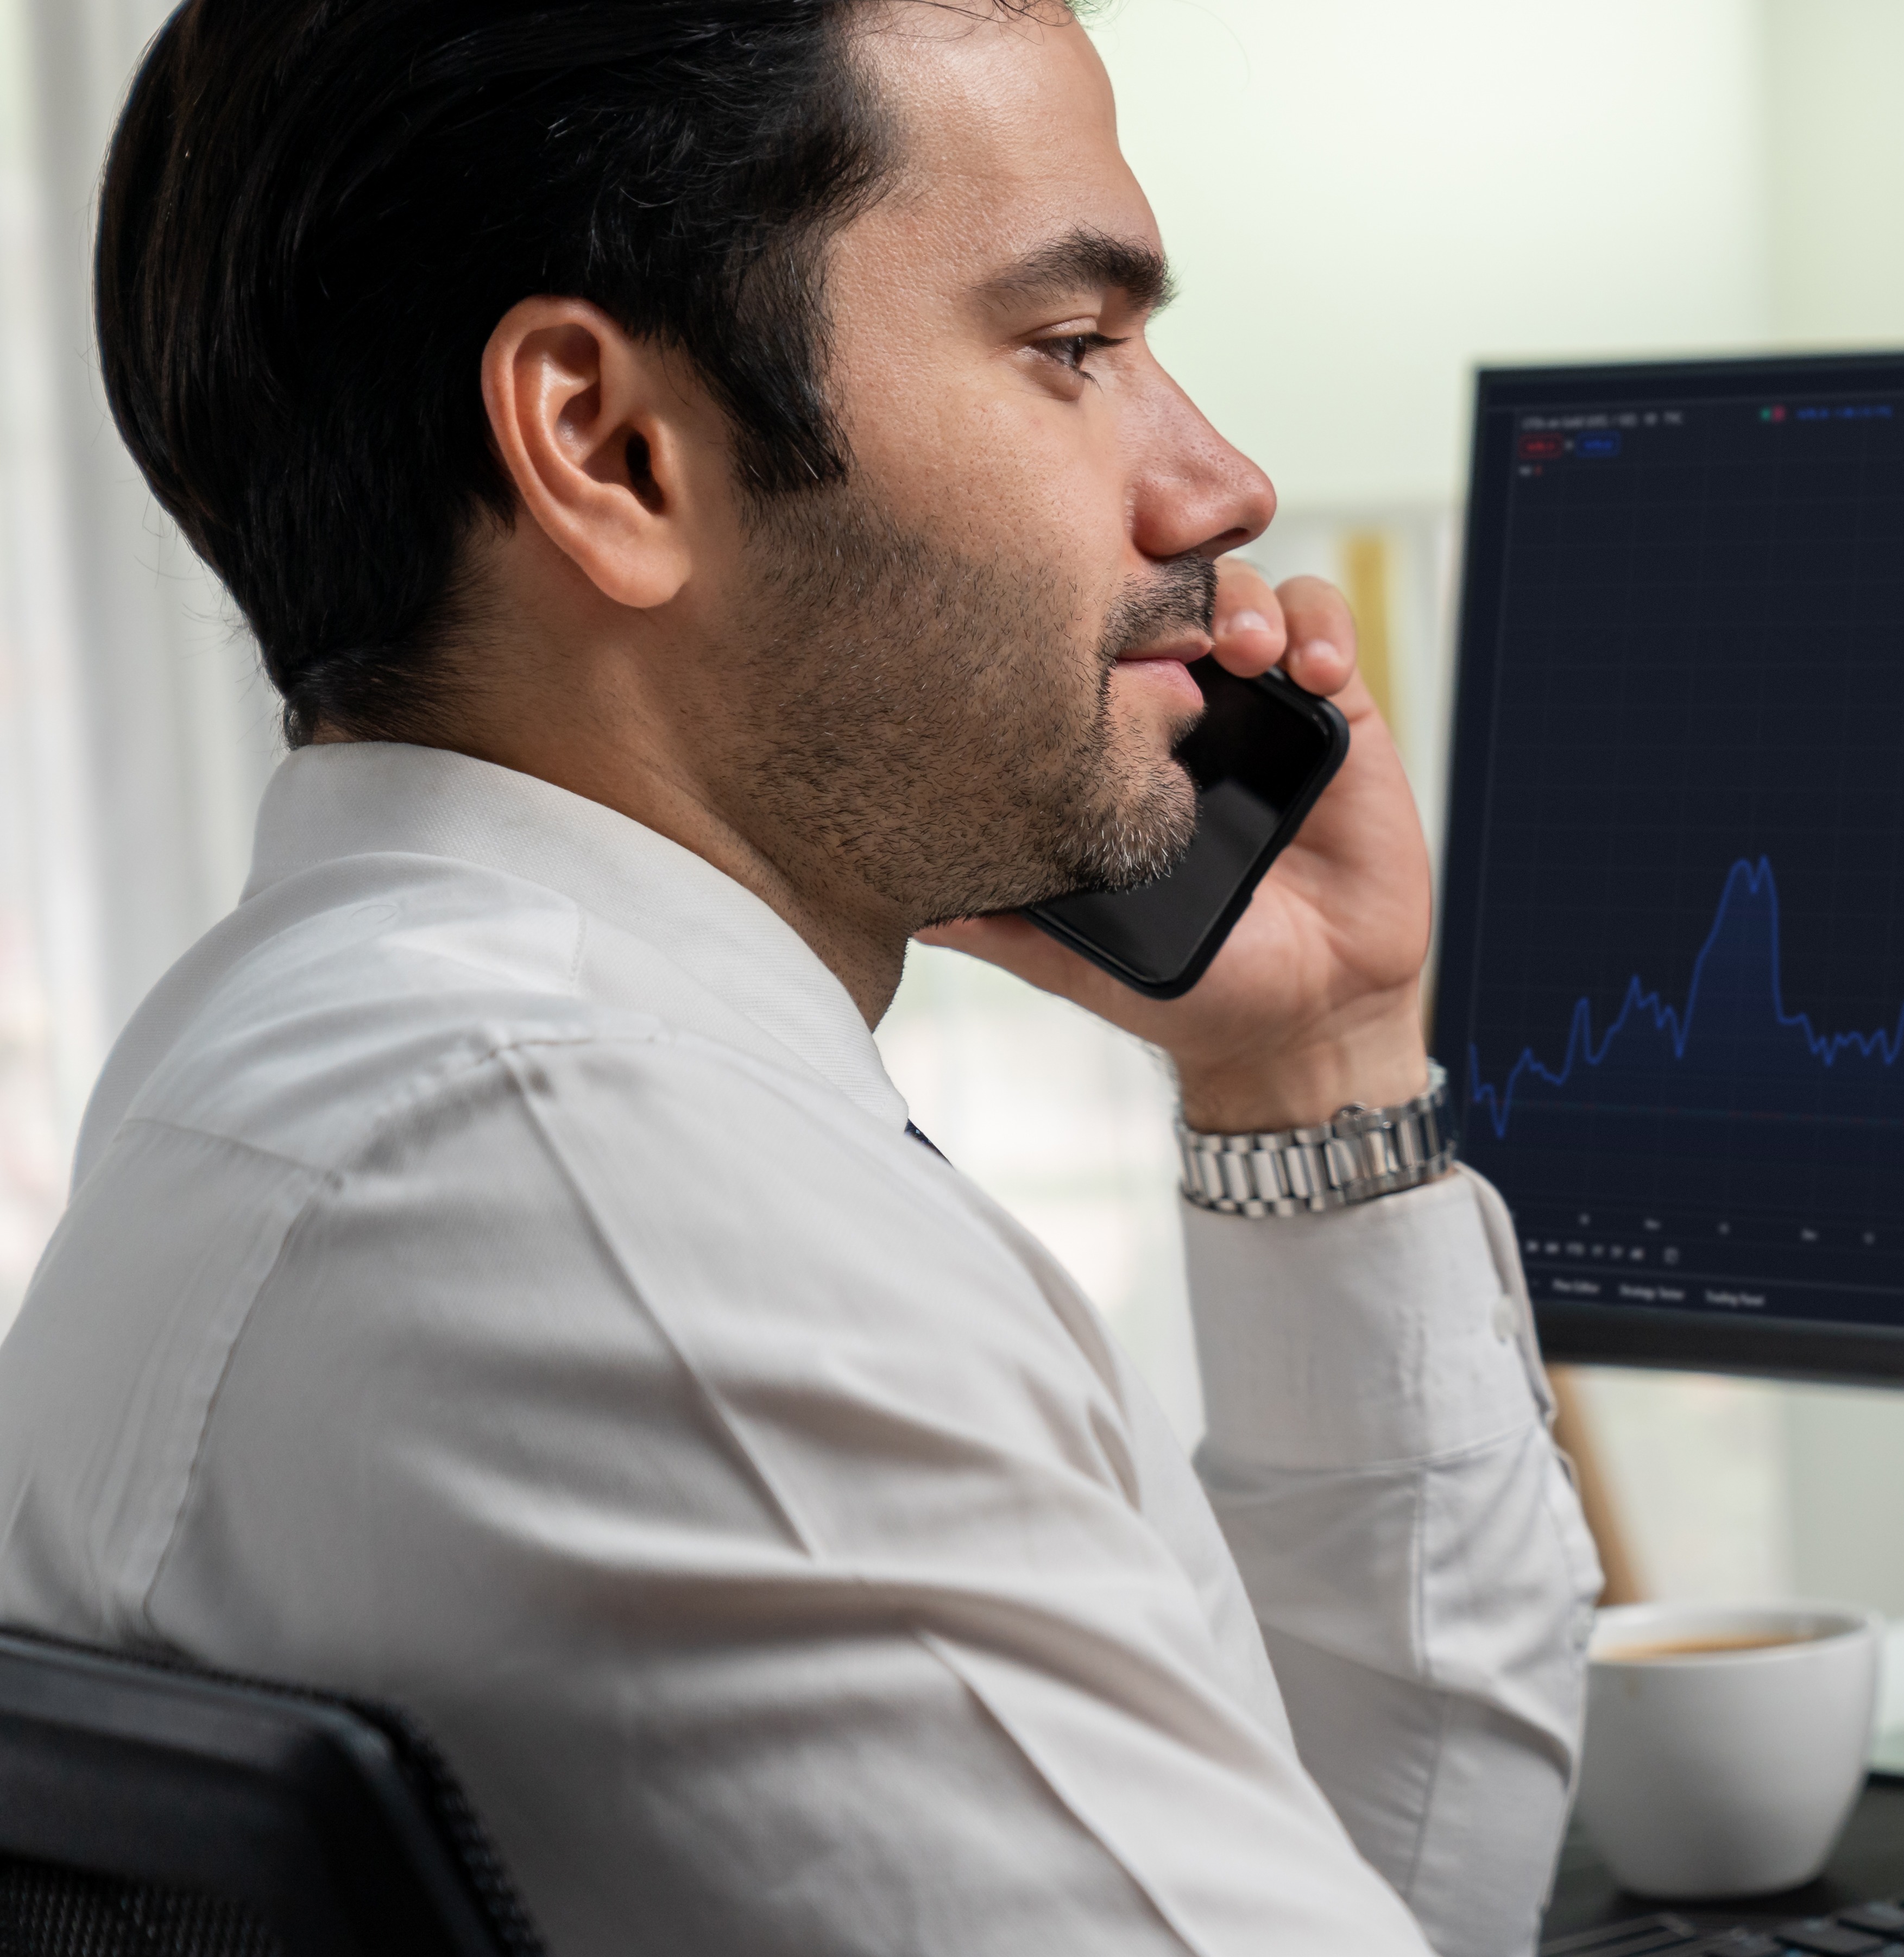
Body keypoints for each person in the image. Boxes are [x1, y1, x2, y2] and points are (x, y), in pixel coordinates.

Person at [0, 2, 1596, 1952]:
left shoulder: (349, 1063)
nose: (1221, 486)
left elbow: (1364, 1886)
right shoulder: (592, 1191)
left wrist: (1315, 1060)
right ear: (611, 449)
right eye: (1073, 349)